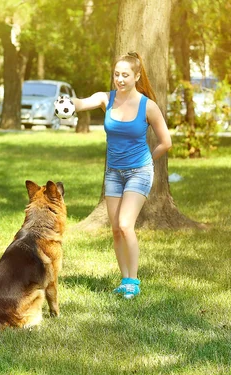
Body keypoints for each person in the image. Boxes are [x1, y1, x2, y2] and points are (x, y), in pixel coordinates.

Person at [56, 51, 172, 299]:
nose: (120, 79)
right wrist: (67, 104)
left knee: (125, 224)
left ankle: (133, 281)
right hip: (113, 174)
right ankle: (124, 279)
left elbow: (166, 142)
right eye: (116, 74)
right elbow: (81, 102)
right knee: (116, 230)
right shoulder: (106, 99)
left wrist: (147, 162)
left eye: (125, 75)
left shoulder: (147, 106)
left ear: (136, 76)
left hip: (138, 173)